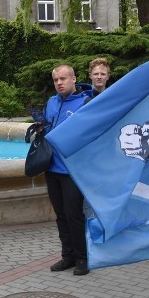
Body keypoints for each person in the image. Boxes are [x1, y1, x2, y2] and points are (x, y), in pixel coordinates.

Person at [43, 64, 91, 275]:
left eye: (63, 79)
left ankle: (83, 258)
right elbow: (46, 127)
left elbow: (91, 135)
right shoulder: (51, 103)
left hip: (72, 170)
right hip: (52, 168)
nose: (59, 83)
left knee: (74, 215)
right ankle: (67, 256)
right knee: (61, 215)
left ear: (74, 79)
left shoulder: (85, 102)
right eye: (56, 80)